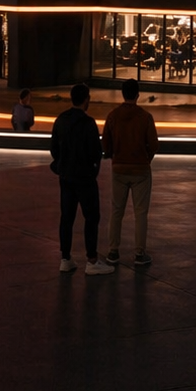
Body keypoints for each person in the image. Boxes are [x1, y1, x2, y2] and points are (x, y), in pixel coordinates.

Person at [49, 83, 114, 275]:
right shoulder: (88, 123)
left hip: (66, 176)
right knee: (91, 217)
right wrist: (93, 170)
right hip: (85, 178)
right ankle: (92, 260)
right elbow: (95, 151)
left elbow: (54, 149)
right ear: (86, 99)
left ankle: (65, 258)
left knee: (66, 218)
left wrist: (62, 164)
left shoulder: (61, 120)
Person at [103, 78, 159, 266]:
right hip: (141, 170)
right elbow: (154, 145)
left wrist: (114, 156)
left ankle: (113, 251)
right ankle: (139, 253)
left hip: (119, 168)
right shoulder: (145, 117)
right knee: (140, 212)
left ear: (122, 93)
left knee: (116, 211)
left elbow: (106, 145)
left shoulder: (112, 116)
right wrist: (146, 158)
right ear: (137, 95)